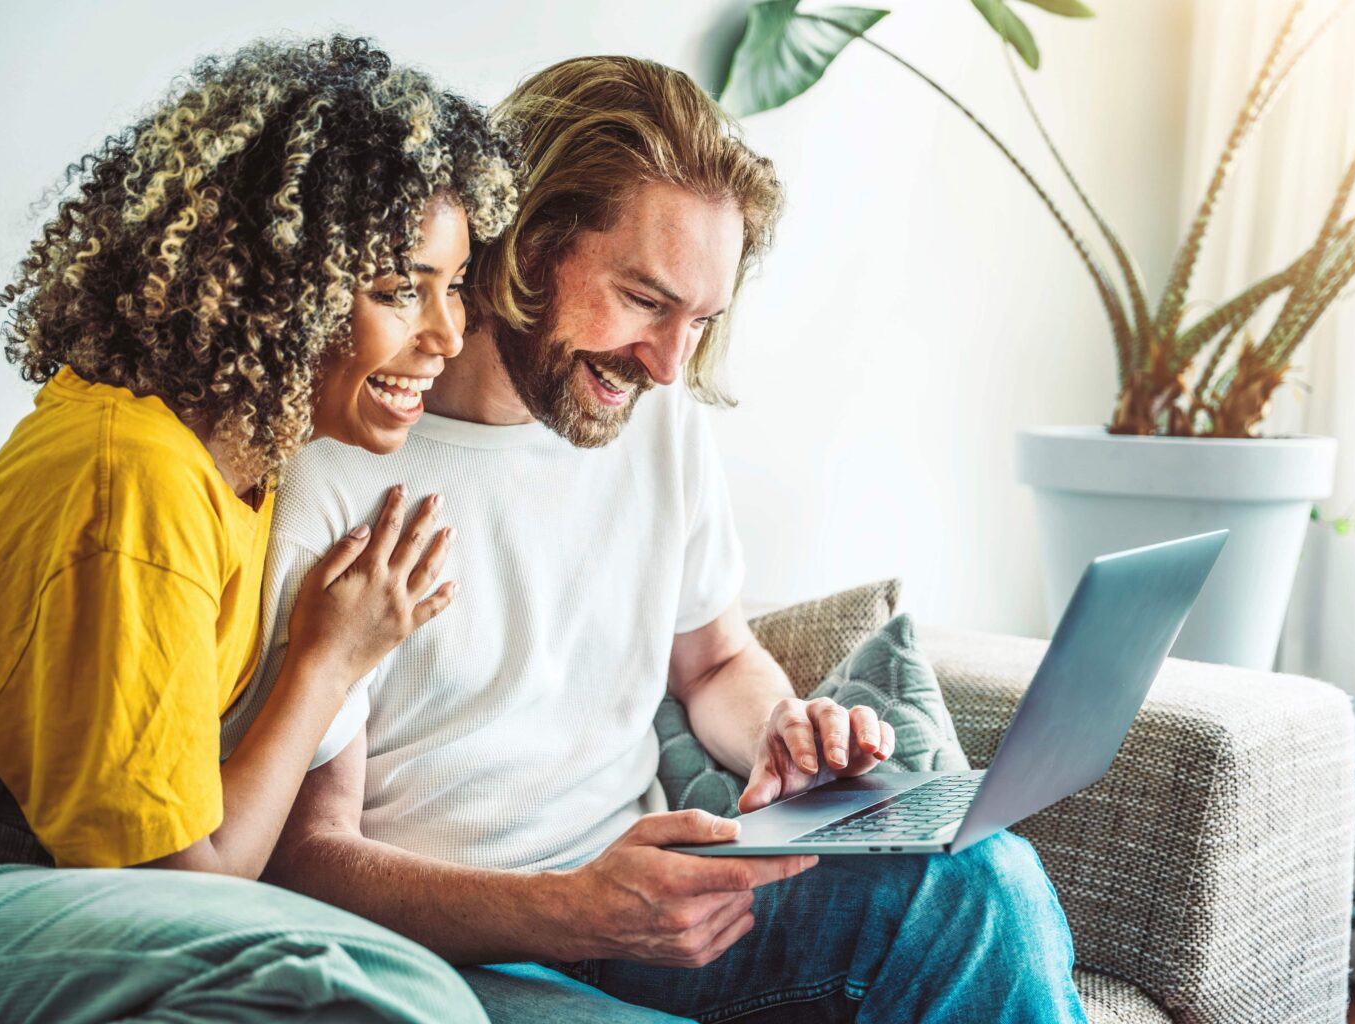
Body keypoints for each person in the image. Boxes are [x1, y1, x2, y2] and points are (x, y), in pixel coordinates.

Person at [239, 56, 1088, 1023]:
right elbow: (306, 860)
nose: (670, 364)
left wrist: (781, 728)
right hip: (463, 952)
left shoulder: (659, 425)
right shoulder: (337, 467)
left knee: (983, 881)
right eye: (645, 300)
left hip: (656, 905)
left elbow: (715, 659)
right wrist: (568, 912)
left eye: (701, 320)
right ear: (523, 243)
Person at [0, 36, 518, 1023]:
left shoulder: (238, 454)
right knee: (387, 990)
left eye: (453, 284)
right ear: (278, 291)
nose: (448, 334)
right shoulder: (138, 483)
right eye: (396, 290)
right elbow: (197, 887)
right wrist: (329, 660)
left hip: (27, 863)